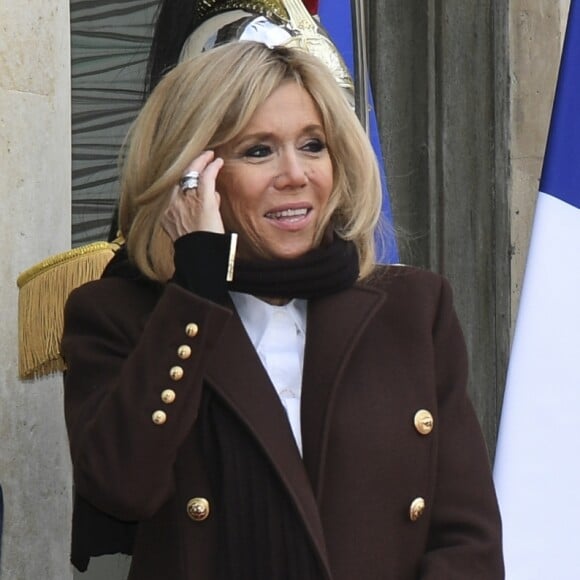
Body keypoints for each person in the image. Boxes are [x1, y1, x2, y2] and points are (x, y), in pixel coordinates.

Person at [62, 41, 504, 579]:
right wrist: (196, 285)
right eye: (258, 151)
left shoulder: (413, 307)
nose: (295, 174)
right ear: (192, 176)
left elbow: (468, 538)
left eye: (313, 145)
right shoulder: (119, 315)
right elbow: (121, 487)